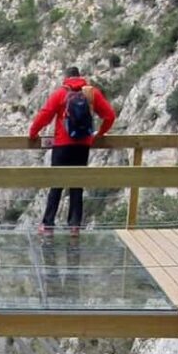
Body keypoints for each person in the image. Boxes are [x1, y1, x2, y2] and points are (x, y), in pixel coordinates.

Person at [28, 66, 116, 237]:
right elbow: (110, 116)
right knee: (77, 185)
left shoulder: (61, 94)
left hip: (62, 145)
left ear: (66, 78)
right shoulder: (92, 93)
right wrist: (100, 133)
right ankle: (74, 226)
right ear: (80, 76)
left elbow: (45, 115)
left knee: (57, 185)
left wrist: (33, 133)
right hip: (82, 146)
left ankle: (48, 225)